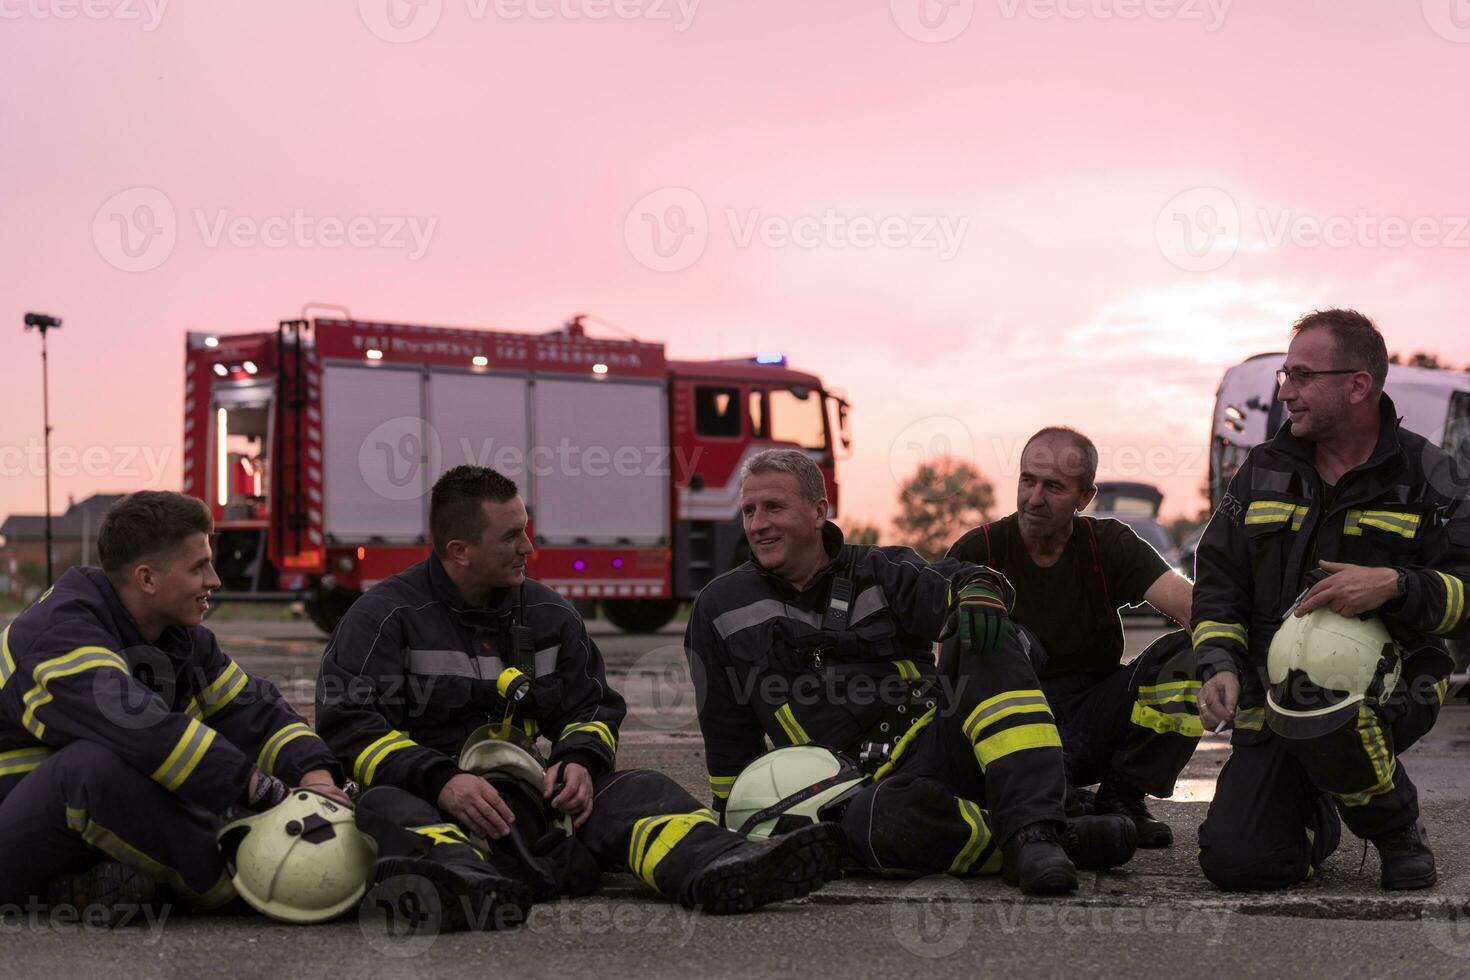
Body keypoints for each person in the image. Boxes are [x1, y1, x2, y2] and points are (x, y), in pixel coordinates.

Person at [314, 465, 844, 932]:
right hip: (433, 798)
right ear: (460, 551)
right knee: (384, 806)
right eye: (512, 536)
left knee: (641, 789)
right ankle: (462, 886)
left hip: (528, 803)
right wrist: (442, 780)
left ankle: (725, 867)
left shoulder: (547, 614)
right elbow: (350, 724)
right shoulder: (384, 617)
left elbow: (591, 705)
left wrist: (578, 761)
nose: (528, 548)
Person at [685, 449, 1136, 895]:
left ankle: (1036, 833)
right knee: (870, 827)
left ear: (819, 511)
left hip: (947, 744)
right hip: (865, 788)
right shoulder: (720, 606)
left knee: (980, 631)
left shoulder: (880, 570)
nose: (758, 523)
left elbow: (959, 579)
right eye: (748, 510)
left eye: (774, 507)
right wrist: (730, 819)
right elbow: (726, 727)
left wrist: (981, 588)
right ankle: (1061, 836)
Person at [1192, 309, 1468, 891]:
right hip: (1271, 692)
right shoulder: (1262, 470)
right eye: (1284, 376)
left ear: (1358, 385)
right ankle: (1316, 816)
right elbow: (1220, 579)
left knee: (1324, 695)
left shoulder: (1433, 478)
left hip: (1391, 685)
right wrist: (1217, 663)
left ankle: (1396, 829)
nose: (1285, 391)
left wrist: (1396, 585)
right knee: (1238, 865)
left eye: (1301, 376)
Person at [0, 491, 347, 919]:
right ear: (147, 579)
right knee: (91, 769)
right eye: (199, 566)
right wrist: (265, 792)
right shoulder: (60, 633)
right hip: (15, 821)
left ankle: (95, 886)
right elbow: (142, 729)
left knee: (196, 770)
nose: (215, 580)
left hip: (92, 827)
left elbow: (254, 711)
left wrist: (316, 776)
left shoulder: (180, 638)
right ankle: (242, 888)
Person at [947, 428, 1198, 847]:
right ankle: (1048, 799)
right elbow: (938, 653)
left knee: (1190, 654)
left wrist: (1239, 651)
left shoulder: (1107, 545)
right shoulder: (980, 550)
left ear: (1085, 497)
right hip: (1012, 728)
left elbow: (1189, 605)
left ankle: (1123, 796)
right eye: (1028, 481)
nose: (1035, 498)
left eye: (1054, 487)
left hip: (1091, 719)